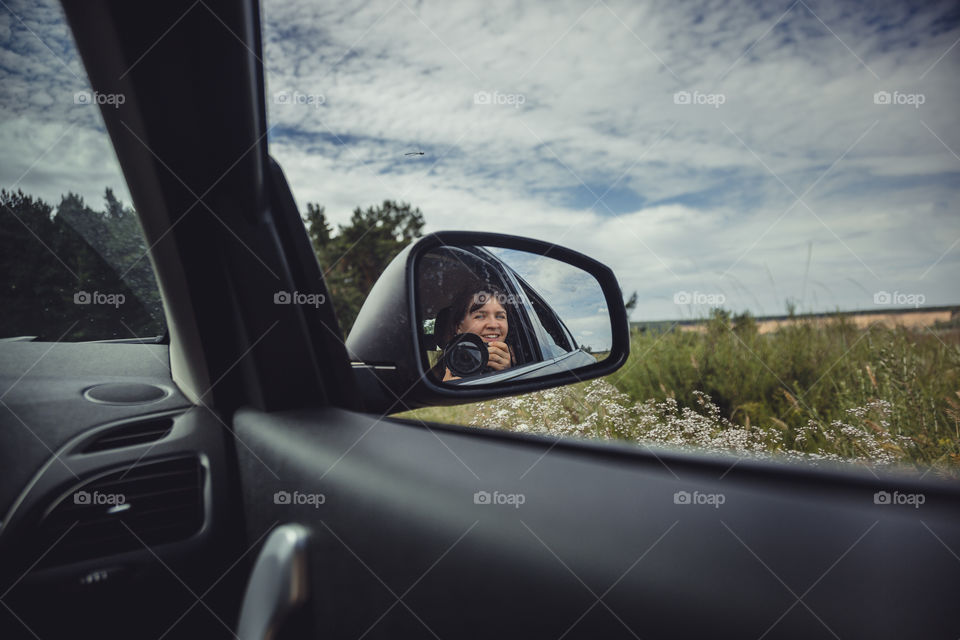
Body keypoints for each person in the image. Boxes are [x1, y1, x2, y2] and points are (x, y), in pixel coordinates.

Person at [432, 285, 518, 382]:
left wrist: (507, 373)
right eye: (480, 316)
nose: (493, 325)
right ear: (458, 327)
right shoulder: (435, 376)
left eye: (500, 316)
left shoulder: (515, 362)